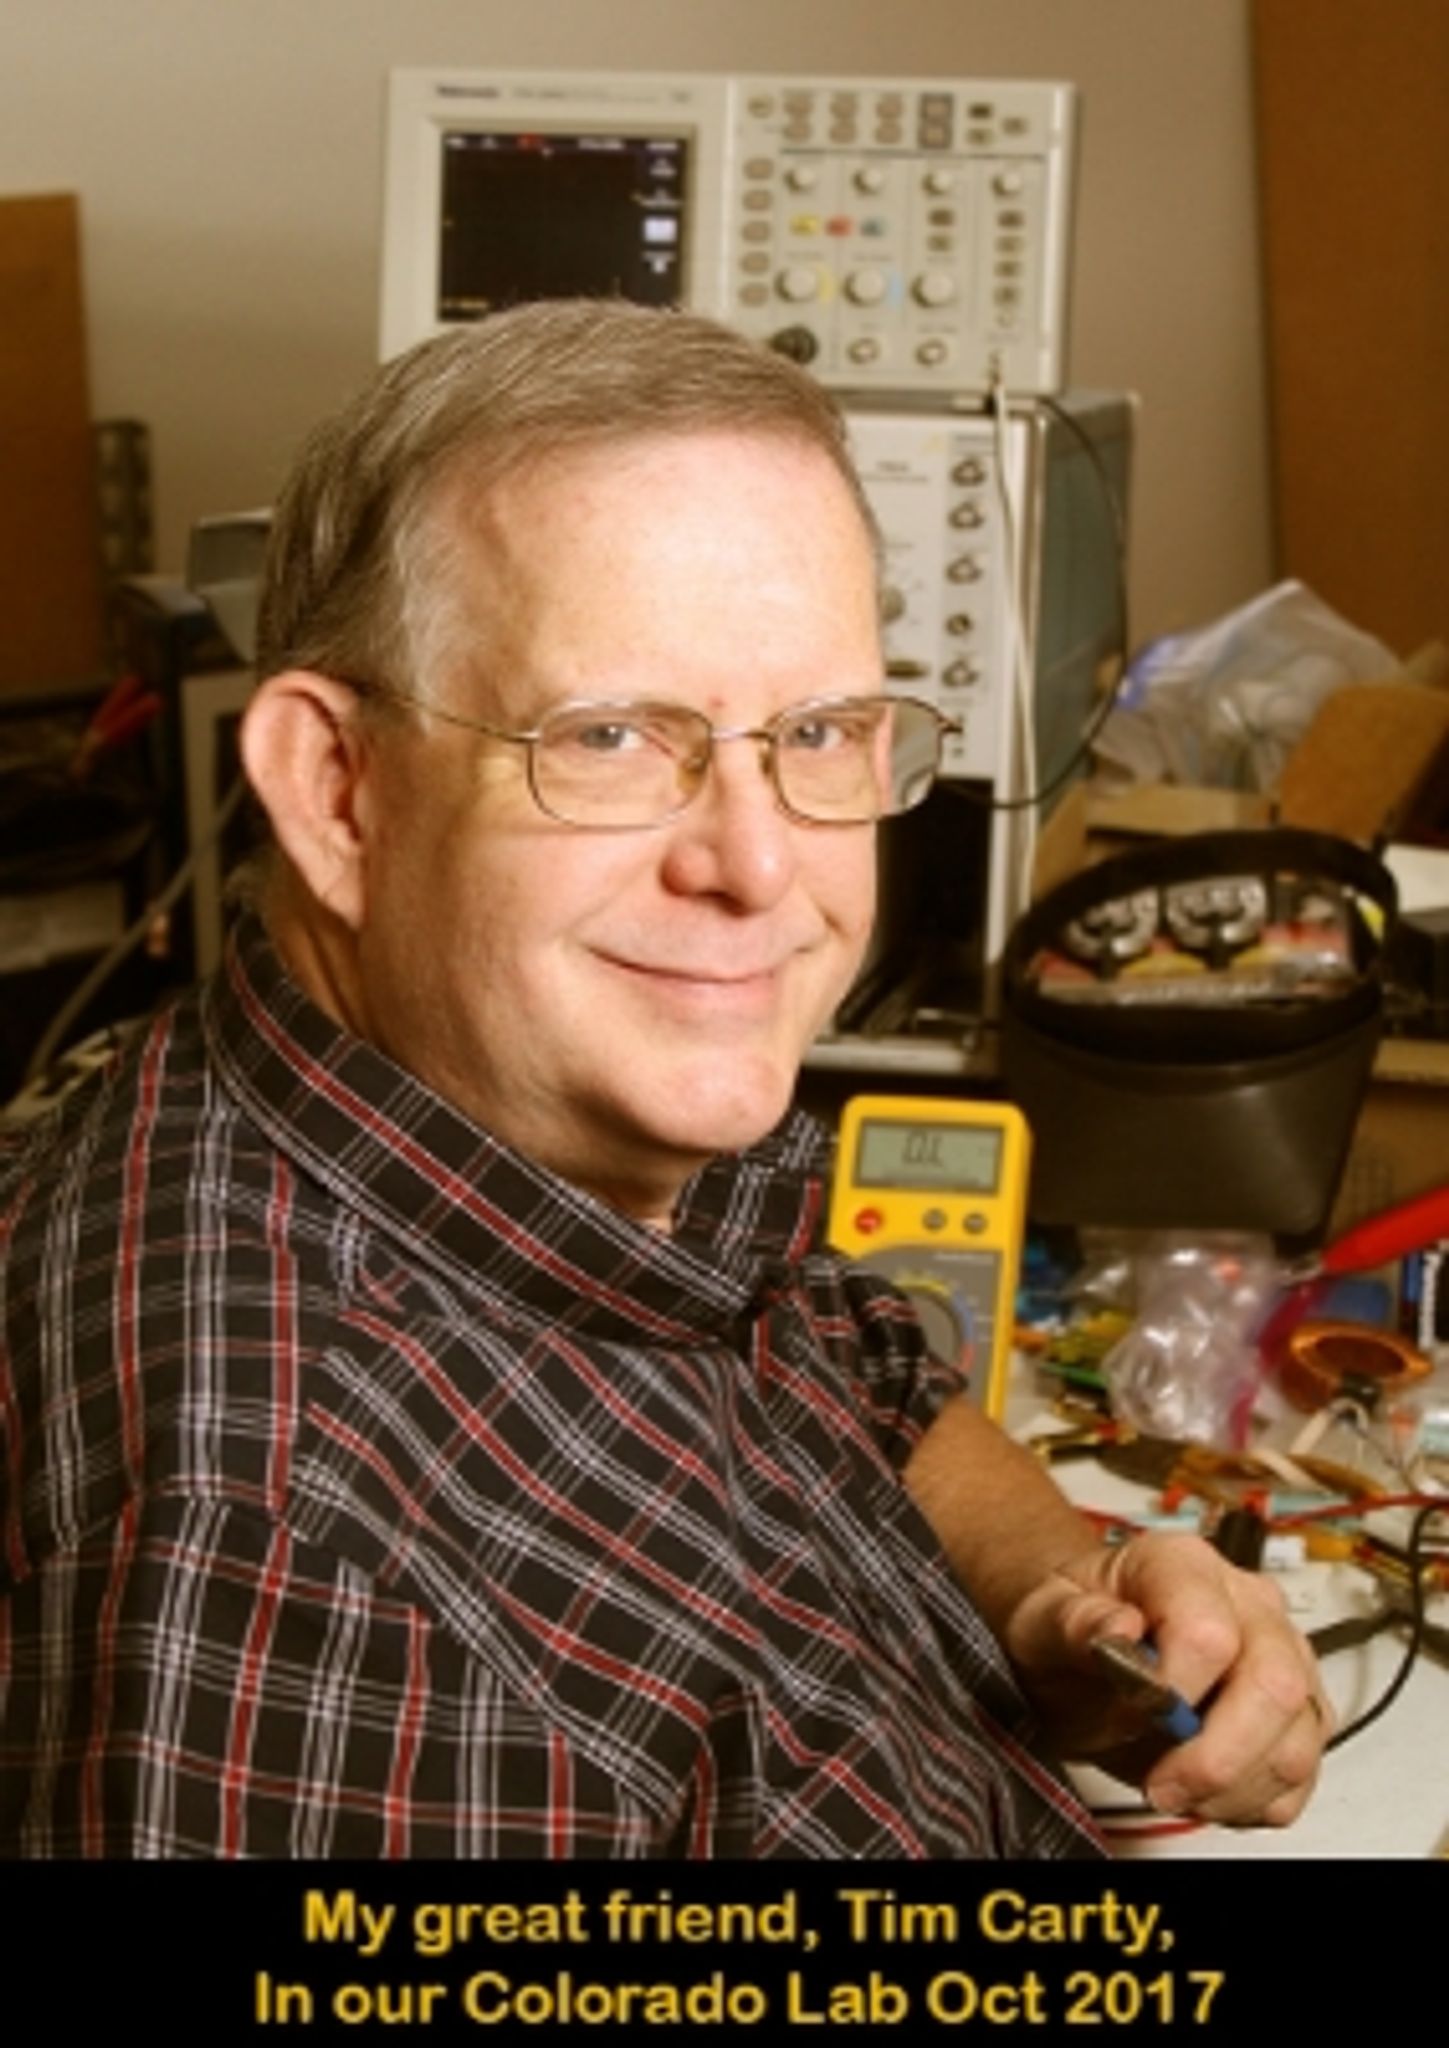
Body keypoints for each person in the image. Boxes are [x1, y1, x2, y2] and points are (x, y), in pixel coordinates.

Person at [0, 299, 1327, 1858]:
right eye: (613, 738)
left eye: (818, 732)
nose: (759, 867)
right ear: (335, 788)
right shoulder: (289, 1579)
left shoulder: (520, 1112)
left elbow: (843, 1365)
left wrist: (1055, 1588)